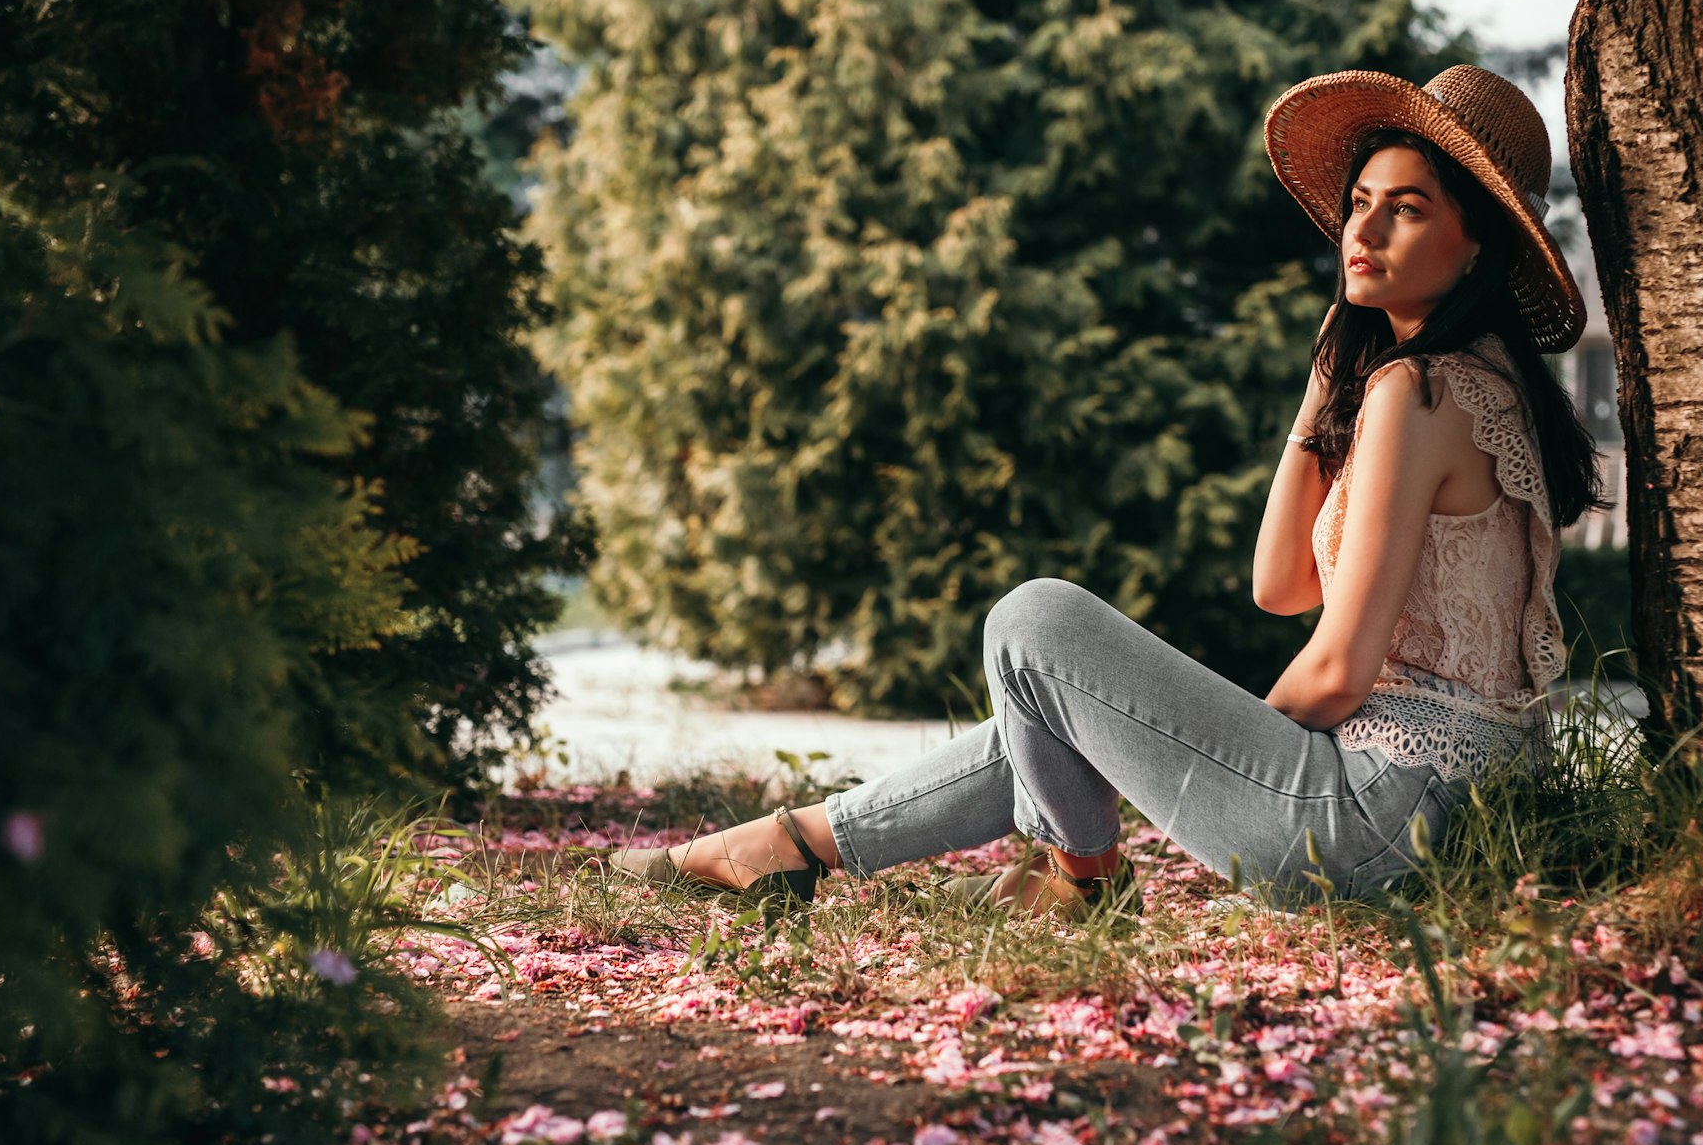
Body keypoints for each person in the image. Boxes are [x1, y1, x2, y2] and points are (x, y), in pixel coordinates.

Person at [606, 64, 1606, 915]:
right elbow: (1279, 583)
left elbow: (1336, 670)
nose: (1365, 227)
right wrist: (1324, 376)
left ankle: (1078, 874)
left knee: (1031, 622)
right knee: (1050, 709)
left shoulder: (1416, 392)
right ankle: (784, 849)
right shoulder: (1461, 382)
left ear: (1474, 246)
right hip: (1445, 816)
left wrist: (1220, 752)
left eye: (1409, 208)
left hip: (1370, 819)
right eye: (1359, 202)